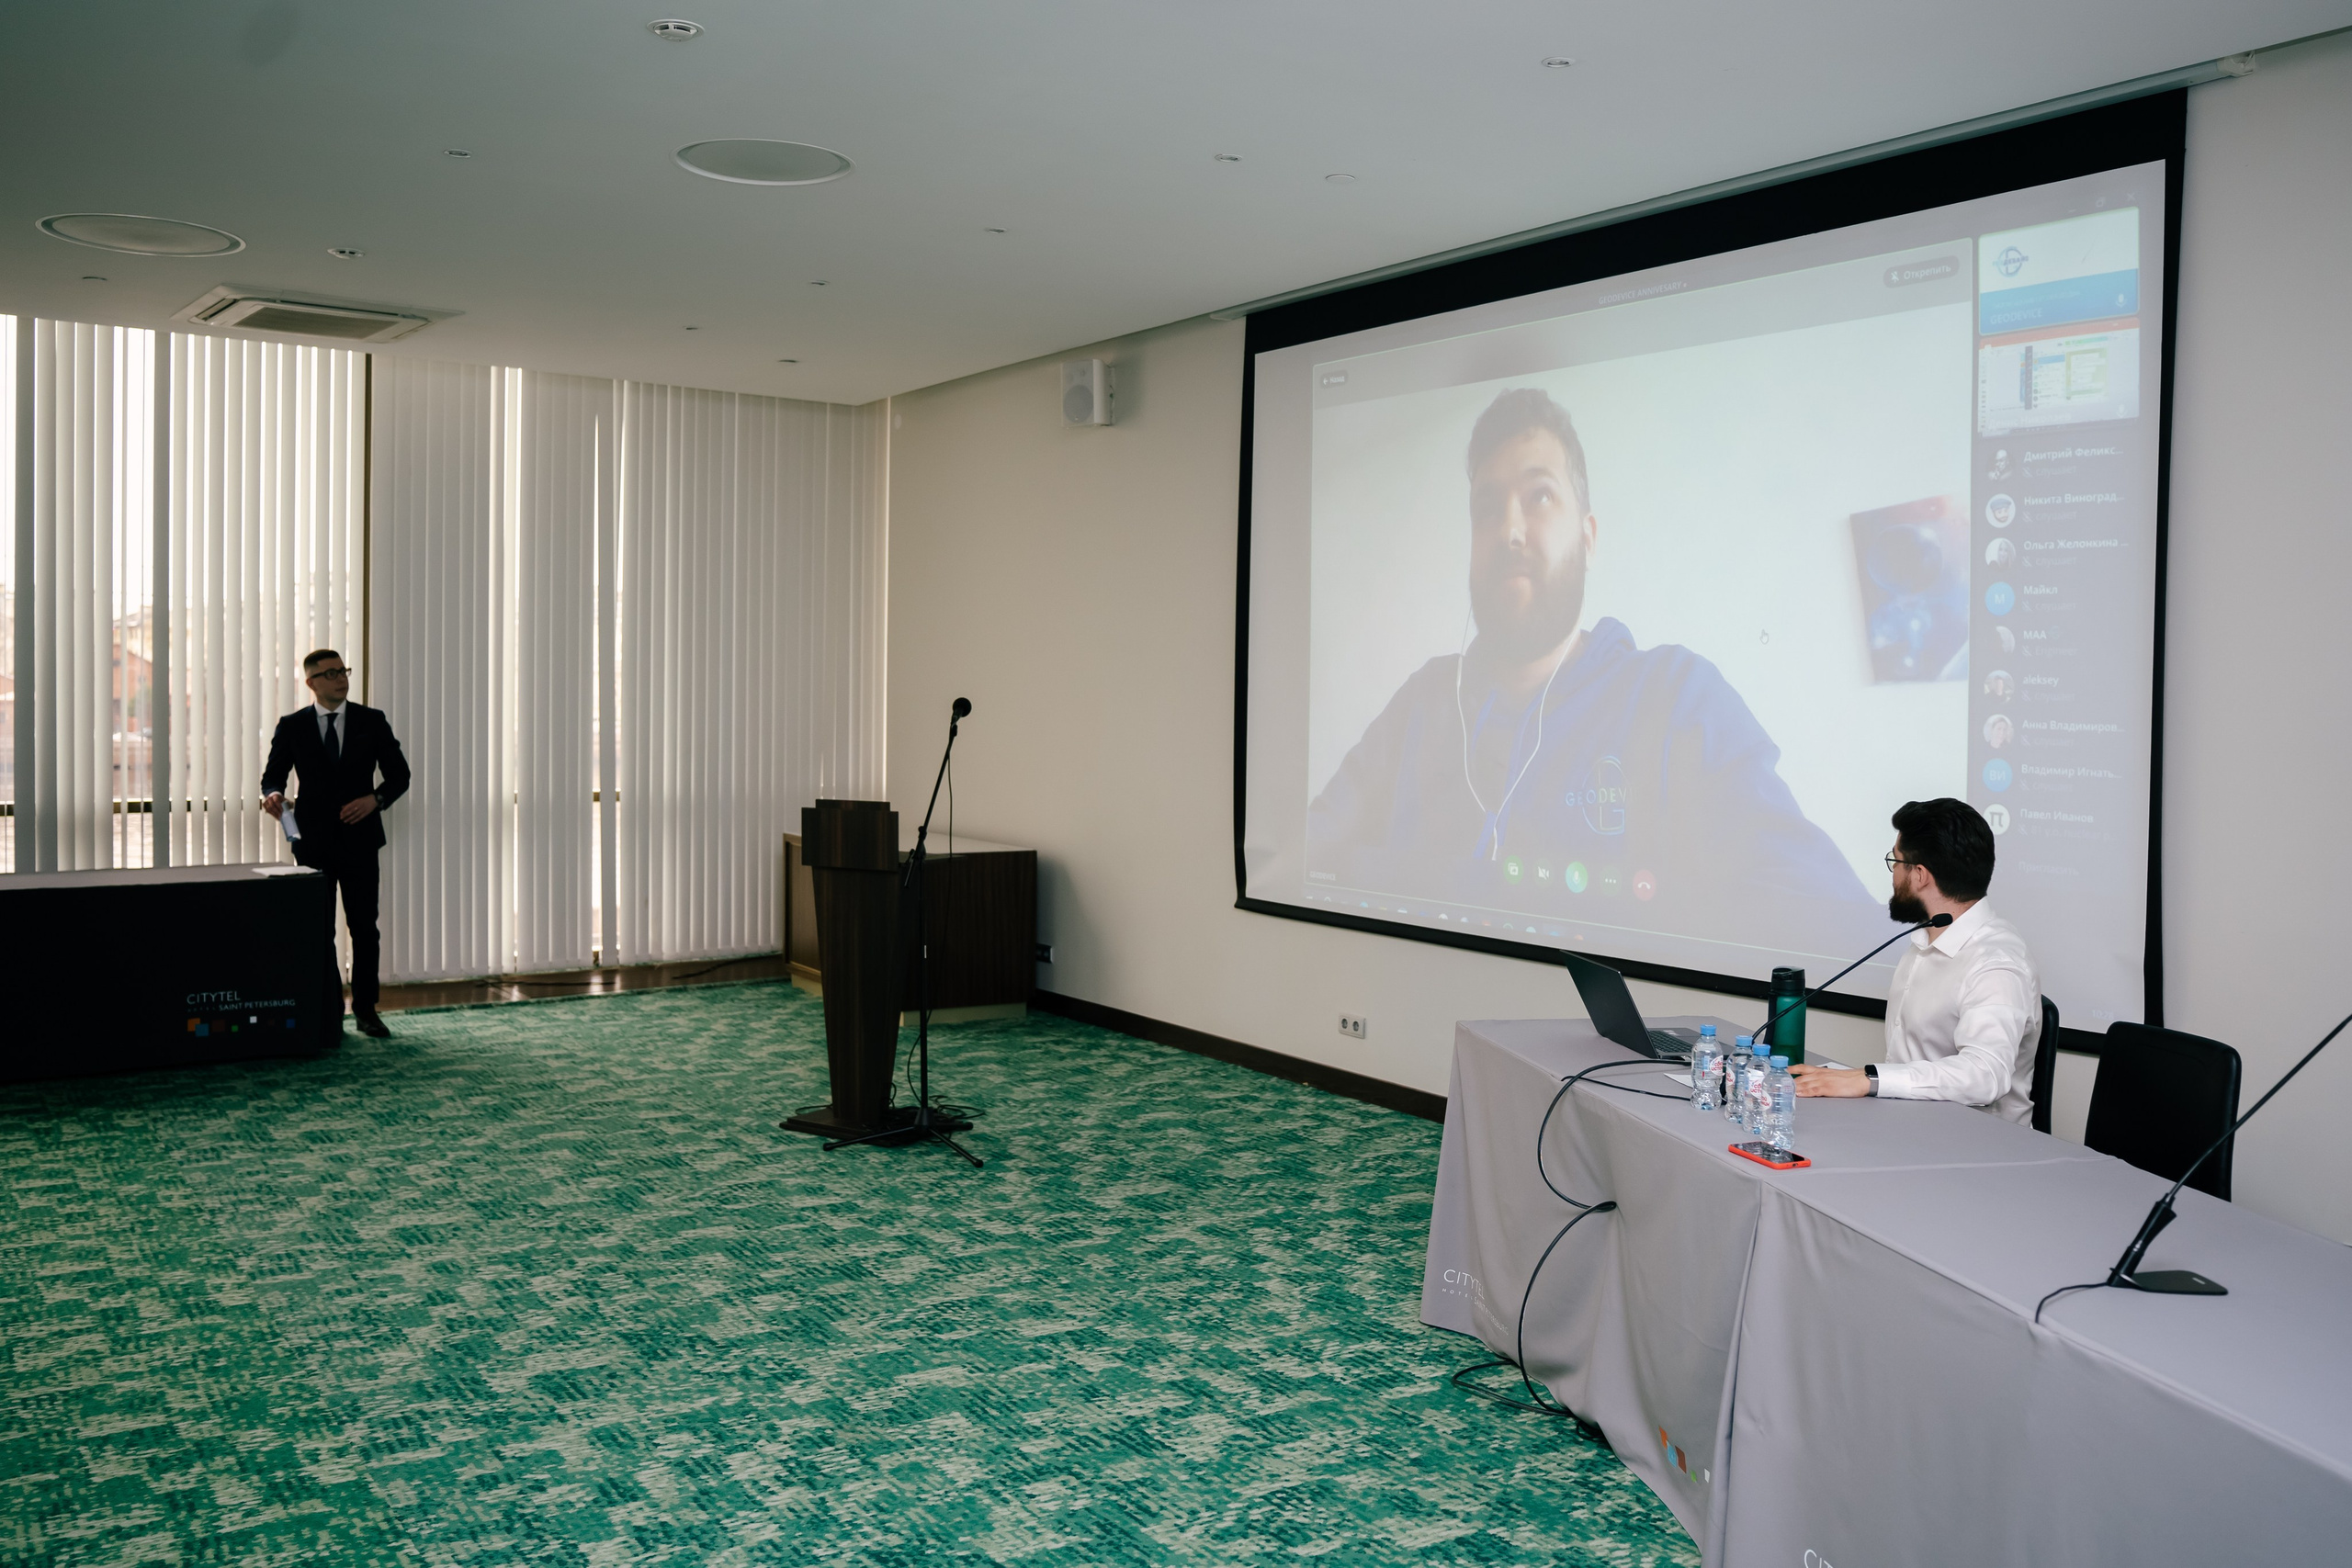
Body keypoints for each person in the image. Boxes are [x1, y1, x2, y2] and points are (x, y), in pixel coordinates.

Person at [1306, 387, 1877, 950]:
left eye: (1540, 497)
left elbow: (1828, 924)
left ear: (1588, 539)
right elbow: (1306, 858)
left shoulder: (1676, 699)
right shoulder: (1423, 701)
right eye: (1487, 507)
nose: (1509, 529)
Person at [1789, 798, 2041, 1122]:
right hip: (1906, 1125)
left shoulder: (1997, 964)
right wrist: (1847, 1080)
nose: (1893, 873)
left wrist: (1869, 1079)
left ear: (1920, 875)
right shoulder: (1925, 940)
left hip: (1978, 1149)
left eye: (1896, 860)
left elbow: (1985, 1075)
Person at [262, 649, 411, 1039]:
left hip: (360, 841)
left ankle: (366, 1010)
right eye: (329, 674)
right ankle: (327, 1013)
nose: (340, 679)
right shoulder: (292, 725)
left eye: (342, 671)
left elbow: (399, 775)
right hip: (312, 843)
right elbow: (272, 777)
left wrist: (374, 800)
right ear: (311, 683)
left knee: (365, 928)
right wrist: (273, 796)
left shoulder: (371, 721)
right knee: (318, 929)